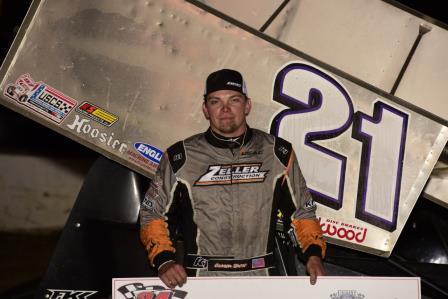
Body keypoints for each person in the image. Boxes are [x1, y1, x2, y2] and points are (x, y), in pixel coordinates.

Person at [139, 69, 326, 288]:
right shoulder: (180, 157)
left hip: (263, 277)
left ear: (247, 106)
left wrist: (313, 255)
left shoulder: (278, 153)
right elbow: (152, 212)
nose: (225, 109)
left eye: (234, 100)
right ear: (205, 109)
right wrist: (164, 260)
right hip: (200, 280)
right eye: (215, 101)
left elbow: (301, 212)